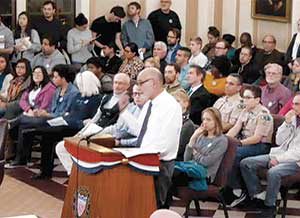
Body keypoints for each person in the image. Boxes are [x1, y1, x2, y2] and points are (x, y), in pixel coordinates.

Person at [118, 67, 182, 208]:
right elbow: (139, 130)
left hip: (159, 164)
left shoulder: (170, 105)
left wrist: (143, 155)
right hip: (142, 160)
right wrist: (124, 111)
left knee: (155, 205)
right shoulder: (149, 104)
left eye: (141, 82)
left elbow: (166, 143)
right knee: (140, 206)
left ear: (153, 83)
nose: (138, 87)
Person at [29, 70, 102, 179]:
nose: (78, 86)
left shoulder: (97, 99)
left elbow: (92, 120)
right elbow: (71, 112)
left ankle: (45, 171)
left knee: (48, 134)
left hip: (79, 128)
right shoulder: (78, 96)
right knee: (46, 132)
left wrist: (76, 121)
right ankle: (45, 171)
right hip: (67, 123)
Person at [56, 73, 131, 175]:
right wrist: (82, 133)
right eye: (115, 83)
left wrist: (97, 133)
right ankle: (74, 174)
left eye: (121, 83)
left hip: (107, 136)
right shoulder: (106, 98)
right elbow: (95, 118)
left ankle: (82, 176)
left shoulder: (128, 102)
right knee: (62, 147)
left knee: (82, 150)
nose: (117, 86)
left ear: (127, 86)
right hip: (93, 131)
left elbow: (118, 127)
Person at [6, 64, 80, 168]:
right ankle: (22, 159)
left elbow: (65, 113)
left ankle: (9, 126)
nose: (53, 79)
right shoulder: (58, 90)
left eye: (55, 77)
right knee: (24, 126)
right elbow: (52, 108)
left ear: (63, 78)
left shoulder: (73, 93)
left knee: (23, 120)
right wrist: (41, 112)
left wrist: (47, 114)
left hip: (61, 121)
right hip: (50, 118)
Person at [240, 94, 300, 218]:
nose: (294, 107)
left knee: (274, 172)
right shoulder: (292, 118)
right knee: (246, 163)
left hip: (296, 161)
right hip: (280, 153)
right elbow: (279, 140)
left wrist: (278, 159)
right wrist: (287, 124)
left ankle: (270, 206)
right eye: (293, 103)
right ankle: (257, 195)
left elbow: (297, 152)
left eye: (297, 104)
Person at [225, 85, 273, 208]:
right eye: (243, 98)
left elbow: (257, 138)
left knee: (235, 153)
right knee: (225, 149)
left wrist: (238, 143)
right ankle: (228, 186)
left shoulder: (263, 114)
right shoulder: (245, 110)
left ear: (257, 100)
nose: (244, 100)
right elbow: (236, 128)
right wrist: (225, 140)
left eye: (247, 98)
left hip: (260, 145)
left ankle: (238, 189)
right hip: (246, 143)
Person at [169, 107, 228, 204]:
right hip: (190, 168)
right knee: (166, 173)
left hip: (205, 175)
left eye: (208, 119)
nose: (205, 122)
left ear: (217, 121)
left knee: (168, 176)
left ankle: (163, 208)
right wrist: (192, 139)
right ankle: (163, 208)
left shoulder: (221, 140)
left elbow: (206, 162)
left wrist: (195, 153)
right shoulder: (200, 136)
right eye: (203, 119)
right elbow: (187, 159)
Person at [172, 91, 196, 161]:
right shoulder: (169, 119)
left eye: (177, 101)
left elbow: (180, 149)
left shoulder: (188, 125)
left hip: (176, 160)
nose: (174, 104)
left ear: (186, 104)